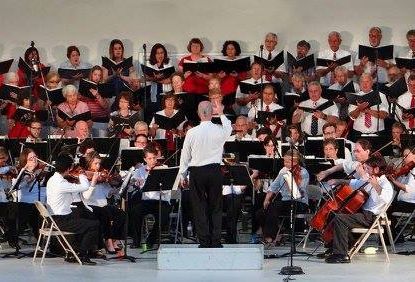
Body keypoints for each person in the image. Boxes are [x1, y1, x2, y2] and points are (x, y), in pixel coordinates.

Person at [179, 100, 232, 247]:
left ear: (198, 113)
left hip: (197, 172)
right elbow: (229, 128)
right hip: (215, 171)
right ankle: (215, 240)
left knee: (199, 206)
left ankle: (204, 240)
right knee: (216, 206)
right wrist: (221, 112)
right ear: (211, 113)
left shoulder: (191, 132)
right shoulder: (219, 130)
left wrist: (182, 175)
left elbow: (185, 155)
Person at [323, 154, 393, 263]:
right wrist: (339, 181)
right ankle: (334, 247)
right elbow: (355, 183)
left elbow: (386, 198)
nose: (366, 171)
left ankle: (341, 255)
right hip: (363, 213)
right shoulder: (370, 179)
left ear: (377, 169)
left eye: (368, 169)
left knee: (340, 219)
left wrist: (375, 185)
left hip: (371, 217)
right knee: (335, 213)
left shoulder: (385, 184)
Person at [46, 153, 100, 265]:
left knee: (82, 216)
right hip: (60, 220)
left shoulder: (52, 179)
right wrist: (82, 174)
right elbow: (85, 187)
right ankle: (83, 255)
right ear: (69, 168)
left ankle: (73, 252)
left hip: (55, 218)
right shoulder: (61, 183)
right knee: (94, 225)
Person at [257, 149, 309, 245]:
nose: (286, 164)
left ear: (296, 161)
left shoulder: (303, 172)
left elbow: (300, 191)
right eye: (285, 161)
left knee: (275, 207)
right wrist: (267, 199)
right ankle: (277, 233)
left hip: (299, 202)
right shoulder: (283, 171)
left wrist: (291, 180)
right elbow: (274, 186)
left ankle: (270, 237)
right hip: (285, 201)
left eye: (289, 162)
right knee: (261, 212)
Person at [80, 151, 125, 254]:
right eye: (95, 163)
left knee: (121, 214)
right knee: (105, 213)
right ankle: (108, 240)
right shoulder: (84, 176)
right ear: (89, 163)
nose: (98, 166)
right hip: (90, 206)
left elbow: (107, 194)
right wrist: (94, 181)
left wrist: (114, 190)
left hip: (102, 204)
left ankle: (114, 238)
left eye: (99, 163)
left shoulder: (102, 176)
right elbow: (86, 196)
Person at [129, 145, 170, 248]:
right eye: (149, 158)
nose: (152, 161)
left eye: (154, 158)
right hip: (146, 201)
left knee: (164, 216)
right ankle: (136, 241)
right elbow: (132, 182)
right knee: (135, 211)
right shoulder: (140, 170)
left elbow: (169, 189)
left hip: (161, 200)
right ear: (145, 159)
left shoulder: (164, 168)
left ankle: (150, 241)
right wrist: (136, 182)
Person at [348, 74, 389, 140]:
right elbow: (352, 116)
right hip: (358, 134)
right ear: (359, 84)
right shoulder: (354, 96)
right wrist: (359, 109)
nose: (365, 84)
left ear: (372, 83)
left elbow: (384, 115)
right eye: (362, 82)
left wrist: (368, 110)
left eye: (367, 81)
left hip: (378, 133)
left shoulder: (381, 95)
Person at [387, 147, 415, 241]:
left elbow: (409, 189)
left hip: (410, 203)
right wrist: (398, 174)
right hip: (403, 202)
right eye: (403, 156)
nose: (404, 158)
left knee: (386, 210)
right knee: (386, 207)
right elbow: (400, 186)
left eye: (406, 156)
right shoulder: (409, 170)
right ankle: (395, 234)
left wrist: (394, 181)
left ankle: (391, 237)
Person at [144, 43, 173, 121]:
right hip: (154, 91)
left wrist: (159, 80)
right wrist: (155, 78)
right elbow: (146, 78)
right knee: (151, 110)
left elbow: (172, 78)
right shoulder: (149, 64)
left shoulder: (168, 63)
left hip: (166, 92)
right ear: (154, 54)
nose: (160, 55)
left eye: (162, 53)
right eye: (157, 53)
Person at [80, 66, 110, 137]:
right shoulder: (85, 84)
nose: (97, 77)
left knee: (101, 142)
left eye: (99, 75)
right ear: (91, 75)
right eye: (95, 74)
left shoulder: (103, 87)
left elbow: (105, 106)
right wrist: (80, 96)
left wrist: (97, 95)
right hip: (87, 120)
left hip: (101, 119)